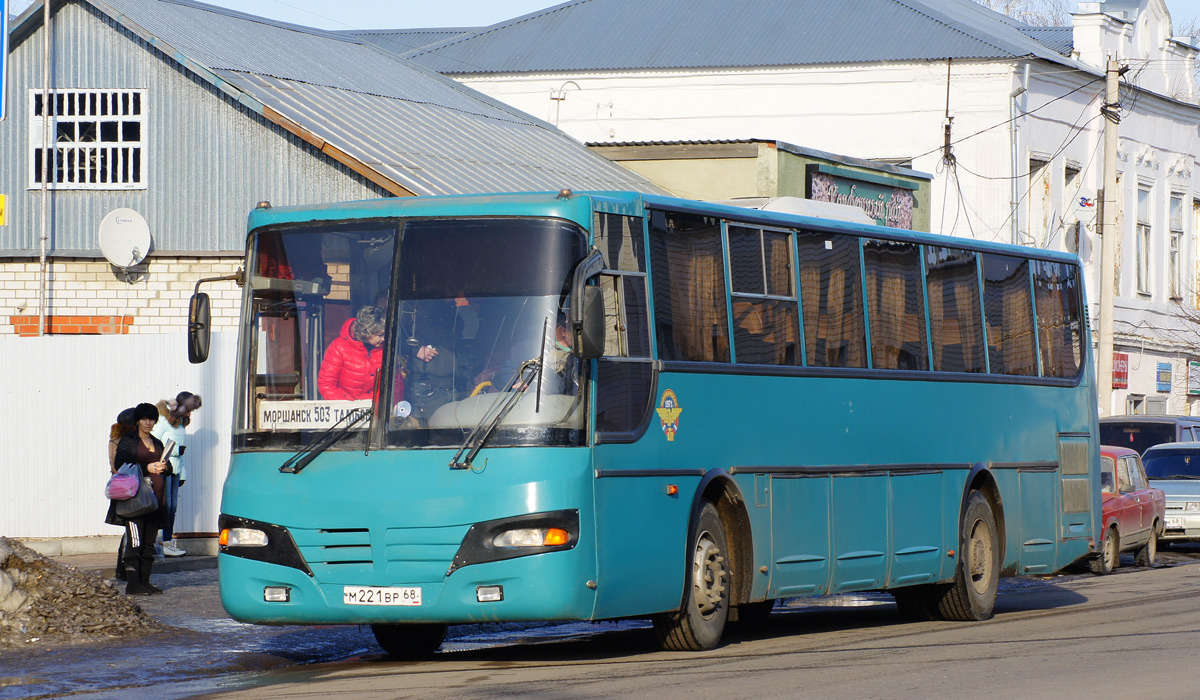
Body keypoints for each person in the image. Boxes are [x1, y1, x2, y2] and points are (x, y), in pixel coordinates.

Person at [106, 402, 171, 596]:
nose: (148, 422)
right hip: (134, 501)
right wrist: (146, 469)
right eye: (144, 418)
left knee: (149, 544)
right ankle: (132, 584)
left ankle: (144, 582)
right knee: (135, 542)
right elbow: (121, 465)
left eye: (151, 419)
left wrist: (165, 468)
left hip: (155, 501)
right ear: (137, 420)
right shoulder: (129, 440)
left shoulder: (157, 442)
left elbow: (169, 468)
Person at [153, 391, 202, 558]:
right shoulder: (163, 420)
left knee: (172, 508)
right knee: (164, 507)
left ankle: (167, 542)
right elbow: (153, 441)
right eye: (188, 409)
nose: (189, 413)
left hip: (175, 470)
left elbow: (181, 454)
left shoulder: (180, 423)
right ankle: (161, 543)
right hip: (164, 469)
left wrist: (183, 475)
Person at [317, 306, 388, 401]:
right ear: (367, 333)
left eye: (385, 334)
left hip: (376, 410)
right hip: (346, 409)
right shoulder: (339, 347)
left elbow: (393, 385)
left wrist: (374, 403)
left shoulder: (385, 350)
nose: (384, 339)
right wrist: (345, 407)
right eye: (380, 335)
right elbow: (326, 383)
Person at [108, 406, 136, 581]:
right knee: (131, 529)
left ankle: (122, 568)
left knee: (129, 529)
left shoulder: (115, 439)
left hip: (120, 487)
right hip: (129, 487)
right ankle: (125, 568)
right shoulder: (125, 441)